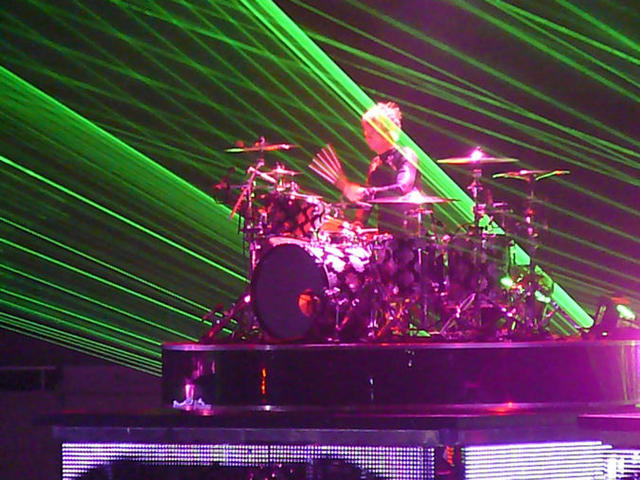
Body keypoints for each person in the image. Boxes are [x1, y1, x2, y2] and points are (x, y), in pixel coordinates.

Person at [312, 101, 422, 235]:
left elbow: (402, 187)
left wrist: (366, 192)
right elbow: (367, 204)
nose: (366, 134)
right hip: (385, 235)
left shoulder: (406, 155)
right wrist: (358, 223)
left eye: (372, 130)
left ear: (388, 132)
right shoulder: (376, 163)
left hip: (408, 237)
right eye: (365, 129)